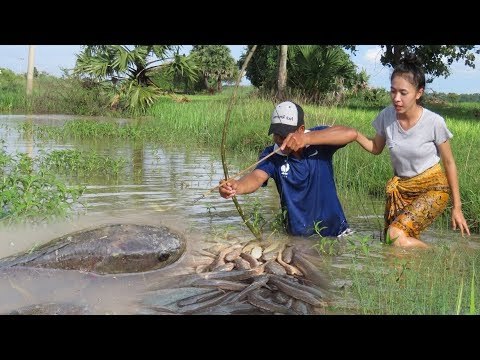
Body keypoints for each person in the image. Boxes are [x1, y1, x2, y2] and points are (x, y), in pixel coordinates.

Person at [355, 55, 470, 248]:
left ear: (418, 93)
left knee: (394, 235)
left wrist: (457, 208)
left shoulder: (434, 122)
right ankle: (420, 268)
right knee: (390, 241)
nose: (396, 98)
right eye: (393, 91)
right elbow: (376, 148)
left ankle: (435, 256)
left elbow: (449, 163)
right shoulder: (386, 116)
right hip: (402, 190)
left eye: (403, 93)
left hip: (433, 188)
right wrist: (354, 135)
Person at [218, 100, 358, 238]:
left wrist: (307, 139)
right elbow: (256, 177)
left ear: (301, 130)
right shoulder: (272, 155)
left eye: (285, 135)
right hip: (299, 238)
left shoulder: (319, 139)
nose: (280, 140)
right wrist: (237, 186)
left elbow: (350, 133)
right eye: (276, 134)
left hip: (337, 233)